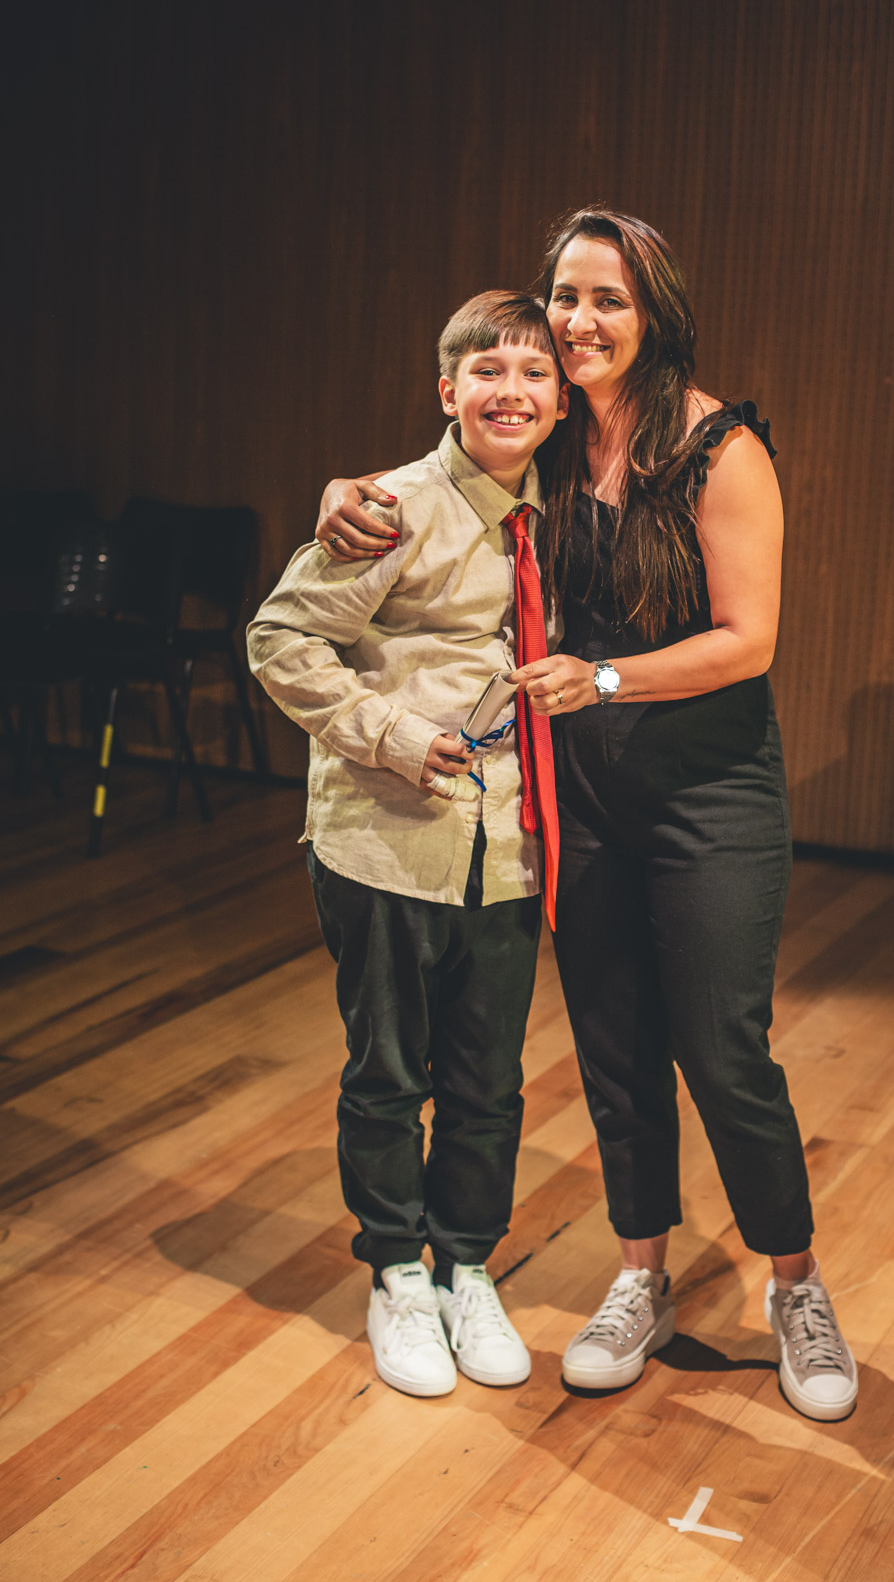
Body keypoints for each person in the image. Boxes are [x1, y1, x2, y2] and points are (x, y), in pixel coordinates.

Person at [315, 208, 858, 1422]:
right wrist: (344, 492)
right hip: (585, 800)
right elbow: (439, 470)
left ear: (655, 312)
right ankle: (639, 1276)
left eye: (609, 298)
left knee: (722, 1049)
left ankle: (796, 1287)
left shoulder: (719, 447)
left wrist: (603, 678)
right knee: (613, 1052)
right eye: (565, 296)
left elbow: (750, 641)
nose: (579, 320)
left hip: (709, 791)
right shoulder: (551, 440)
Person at [248, 290, 567, 1399]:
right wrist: (388, 734)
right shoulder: (392, 509)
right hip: (389, 839)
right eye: (488, 371)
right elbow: (280, 636)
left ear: (561, 401)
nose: (510, 392)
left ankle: (467, 1266)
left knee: (488, 1079)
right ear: (448, 391)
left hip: (512, 845)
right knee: (388, 1072)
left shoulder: (569, 516)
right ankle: (395, 1273)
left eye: (534, 373)